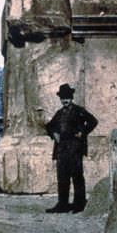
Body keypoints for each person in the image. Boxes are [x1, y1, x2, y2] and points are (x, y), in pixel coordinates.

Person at [44, 83, 98, 213]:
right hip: (61, 149)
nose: (65, 100)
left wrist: (83, 132)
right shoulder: (59, 113)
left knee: (77, 176)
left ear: (71, 97)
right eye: (62, 98)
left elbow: (93, 121)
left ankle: (79, 205)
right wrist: (54, 134)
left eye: (67, 97)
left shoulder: (79, 110)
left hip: (75, 148)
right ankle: (62, 204)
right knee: (62, 177)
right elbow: (49, 126)